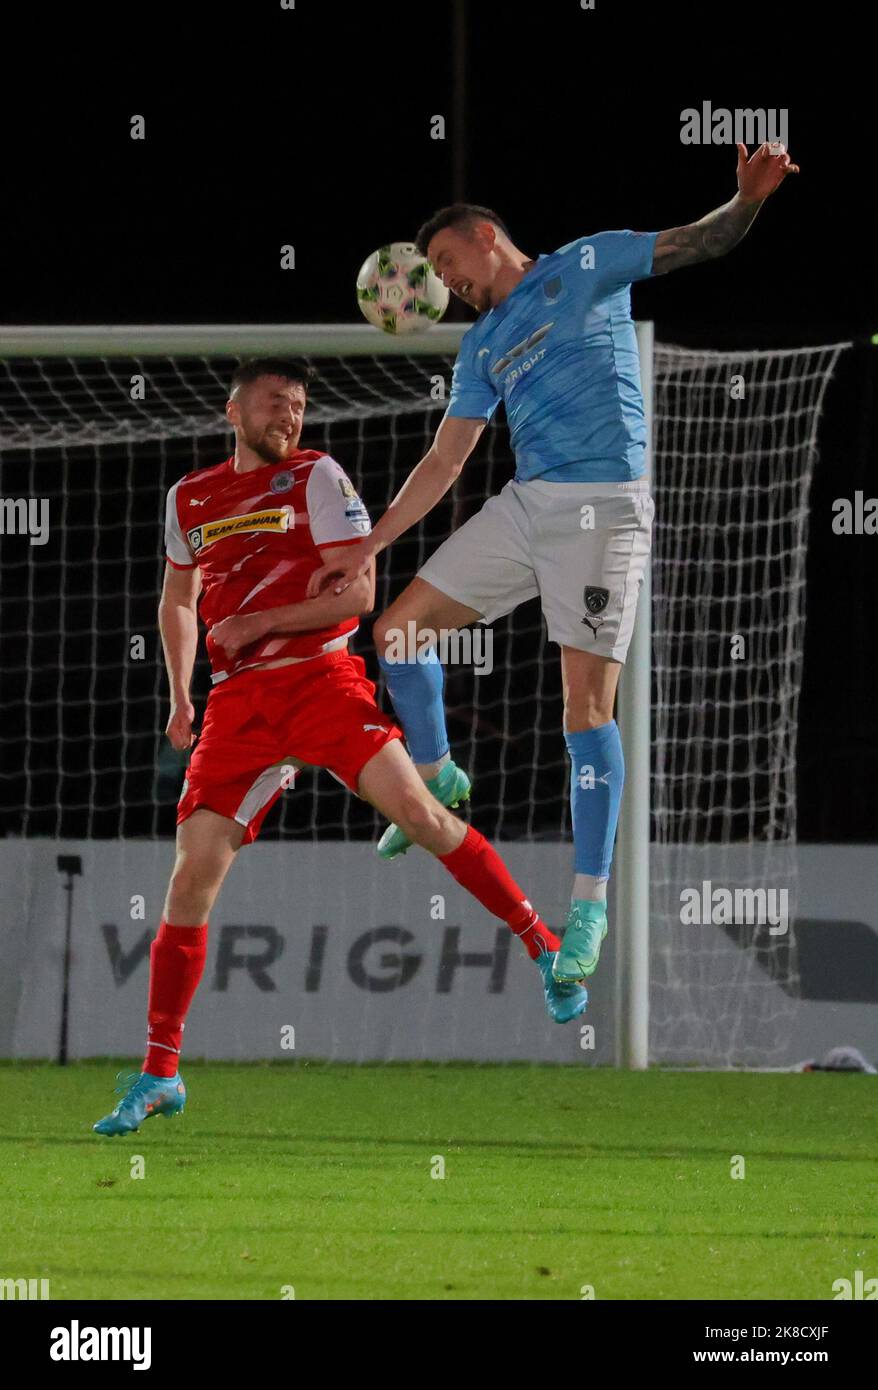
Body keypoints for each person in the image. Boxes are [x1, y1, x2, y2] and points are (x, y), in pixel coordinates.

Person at [307, 141, 799, 987]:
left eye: (449, 262)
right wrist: (371, 542)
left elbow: (701, 242)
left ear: (487, 235)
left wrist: (748, 198)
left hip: (606, 511)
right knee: (397, 633)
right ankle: (435, 774)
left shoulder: (587, 262)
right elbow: (445, 461)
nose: (446, 282)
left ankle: (590, 903)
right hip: (529, 504)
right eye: (434, 273)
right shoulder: (482, 346)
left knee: (585, 708)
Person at [93, 358, 589, 1137]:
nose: (287, 417)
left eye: (297, 406)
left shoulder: (318, 478)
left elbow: (360, 593)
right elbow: (177, 600)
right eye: (273, 403)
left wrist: (257, 623)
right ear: (235, 409)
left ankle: (543, 944)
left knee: (422, 816)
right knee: (190, 878)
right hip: (239, 706)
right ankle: (160, 1072)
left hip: (323, 682)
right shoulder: (189, 497)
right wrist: (181, 694)